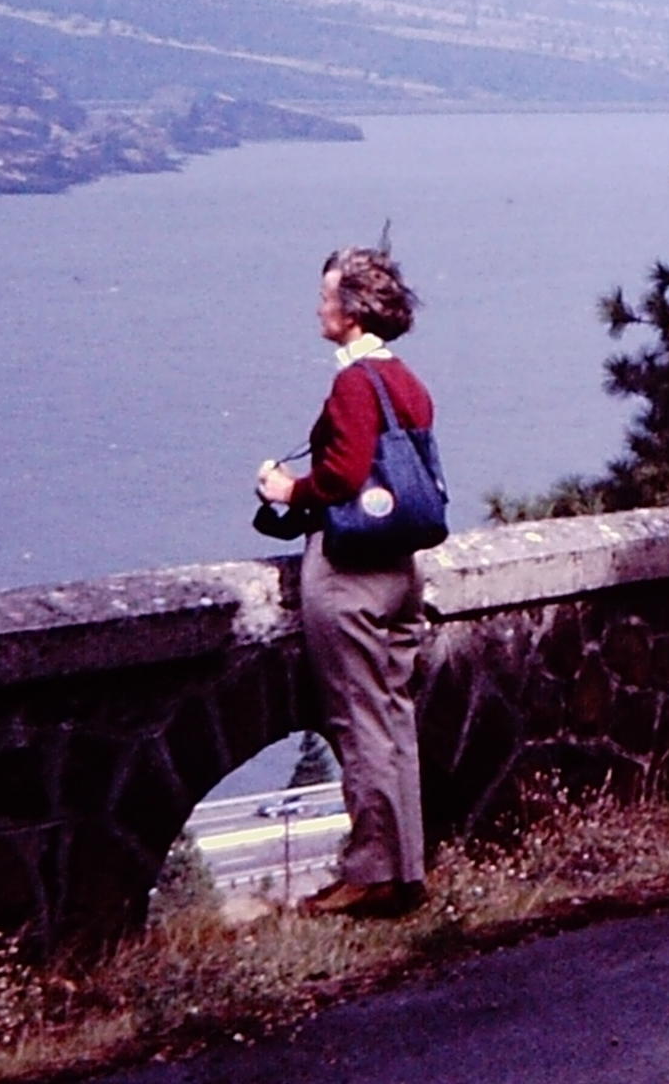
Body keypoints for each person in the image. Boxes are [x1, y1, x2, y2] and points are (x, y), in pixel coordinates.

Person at [255, 245, 435, 919]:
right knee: (394, 715)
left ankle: (370, 875)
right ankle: (405, 867)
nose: (319, 305)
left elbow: (342, 477)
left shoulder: (353, 385)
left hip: (350, 570)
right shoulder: (406, 382)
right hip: (402, 568)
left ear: (354, 308)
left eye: (328, 294)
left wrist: (285, 487)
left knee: (357, 721)